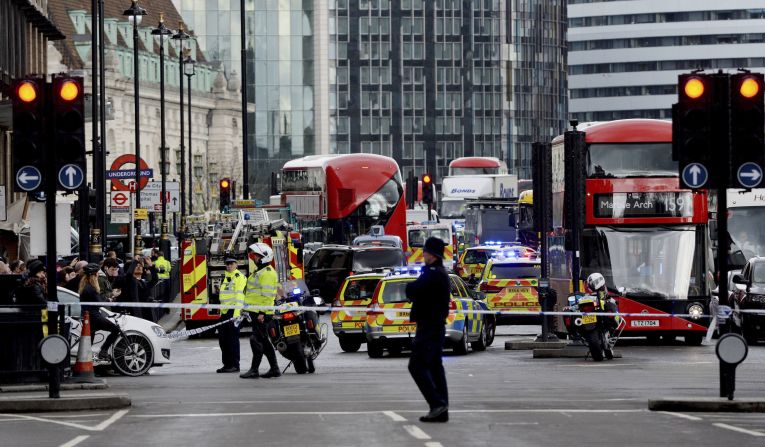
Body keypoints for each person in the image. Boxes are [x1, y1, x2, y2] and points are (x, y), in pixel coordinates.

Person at [405, 237, 451, 423]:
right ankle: (442, 409)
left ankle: (437, 403)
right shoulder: (439, 272)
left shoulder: (433, 273)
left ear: (431, 254)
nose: (422, 254)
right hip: (435, 326)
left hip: (429, 327)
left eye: (425, 251)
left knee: (416, 366)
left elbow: (412, 290)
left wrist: (410, 287)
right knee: (434, 367)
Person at [240, 243, 281, 379]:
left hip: (262, 313)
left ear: (264, 257)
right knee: (263, 341)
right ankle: (274, 369)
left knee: (256, 340)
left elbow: (268, 295)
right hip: (256, 312)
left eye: (256, 255)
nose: (254, 257)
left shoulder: (267, 273)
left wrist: (262, 313)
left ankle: (254, 369)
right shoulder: (259, 271)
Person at [79, 263, 121, 361]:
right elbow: (99, 302)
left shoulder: (85, 286)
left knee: (89, 342)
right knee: (115, 330)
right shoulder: (91, 288)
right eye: (97, 273)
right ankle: (103, 351)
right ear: (93, 275)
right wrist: (110, 299)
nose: (98, 275)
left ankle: (87, 361)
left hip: (89, 317)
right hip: (94, 317)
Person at [217, 258, 246, 373]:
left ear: (236, 264)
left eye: (231, 264)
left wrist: (236, 314)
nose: (229, 266)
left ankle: (234, 365)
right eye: (227, 264)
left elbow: (239, 297)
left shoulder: (239, 277)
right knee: (223, 340)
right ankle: (227, 364)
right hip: (224, 312)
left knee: (232, 340)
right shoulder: (226, 277)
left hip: (233, 312)